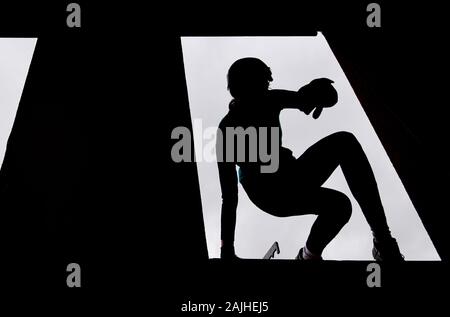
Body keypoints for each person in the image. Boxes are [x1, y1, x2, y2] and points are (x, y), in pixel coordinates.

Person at [217, 57, 404, 261]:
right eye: (263, 85)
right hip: (267, 193)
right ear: (244, 89)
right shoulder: (227, 130)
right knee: (339, 200)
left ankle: (378, 242)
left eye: (267, 85)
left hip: (292, 175)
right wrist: (227, 250)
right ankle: (311, 255)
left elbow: (302, 99)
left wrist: (317, 93)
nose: (266, 89)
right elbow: (229, 195)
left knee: (340, 201)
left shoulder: (269, 99)